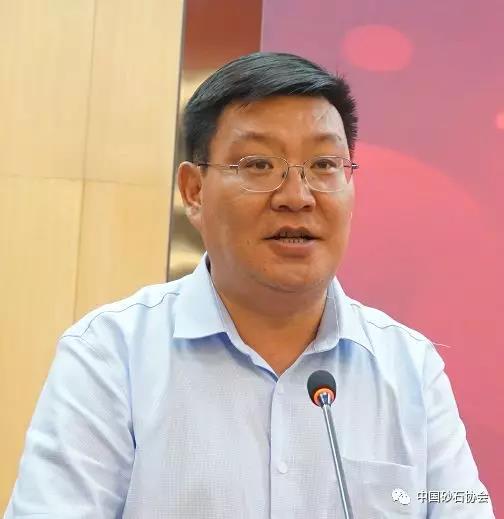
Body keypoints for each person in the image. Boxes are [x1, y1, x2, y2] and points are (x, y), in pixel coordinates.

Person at [4, 52, 494, 518]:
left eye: (324, 165)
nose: (297, 196)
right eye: (259, 165)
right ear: (194, 191)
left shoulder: (411, 369)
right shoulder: (111, 356)